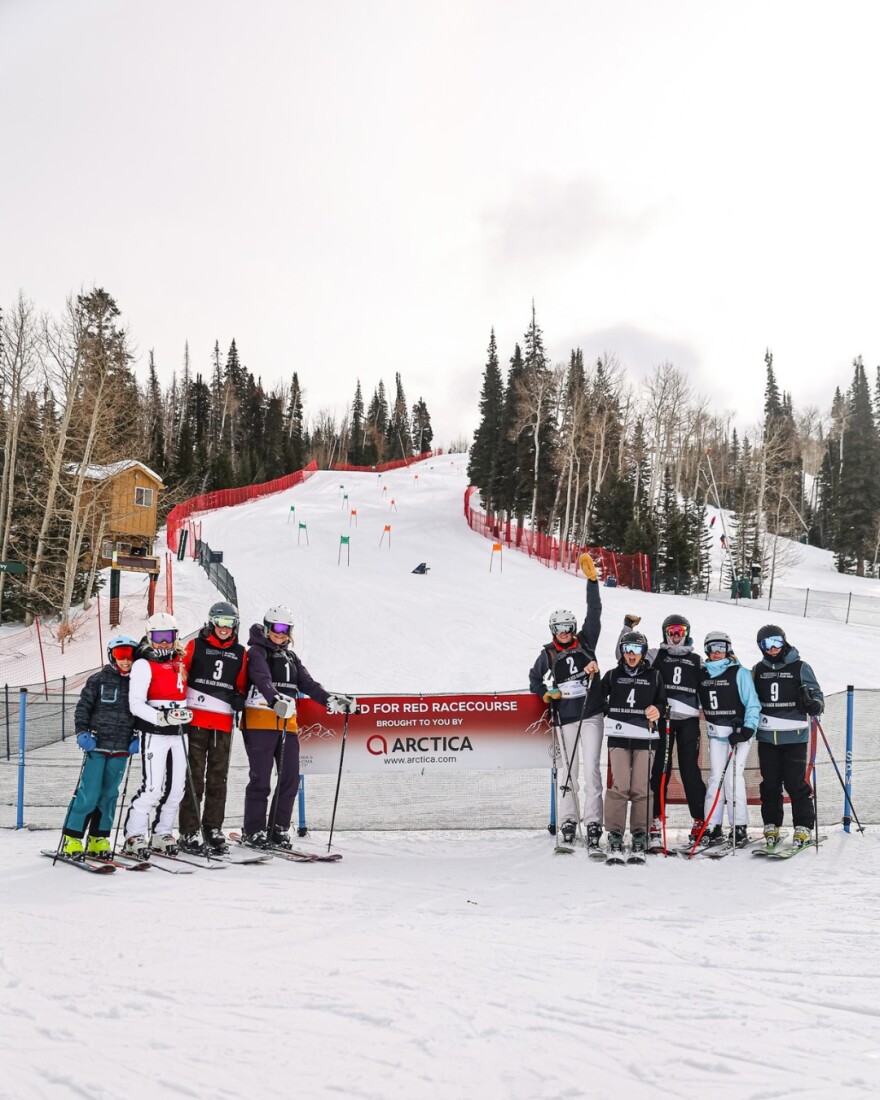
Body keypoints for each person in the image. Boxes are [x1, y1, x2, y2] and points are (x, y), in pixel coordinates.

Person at [241, 605, 357, 849]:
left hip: (287, 725)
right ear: (267, 627)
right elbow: (262, 679)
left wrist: (330, 700)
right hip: (260, 724)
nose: (281, 634)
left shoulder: (291, 658)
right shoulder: (257, 652)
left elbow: (308, 683)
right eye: (277, 628)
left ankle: (278, 828)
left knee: (290, 778)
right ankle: (253, 831)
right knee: (260, 779)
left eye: (286, 629)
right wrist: (275, 699)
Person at [528, 552, 603, 851]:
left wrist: (592, 583)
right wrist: (546, 693)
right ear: (552, 631)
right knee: (569, 769)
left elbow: (594, 612)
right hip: (566, 716)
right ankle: (569, 818)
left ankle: (594, 819)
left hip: (592, 713)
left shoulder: (585, 642)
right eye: (559, 629)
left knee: (592, 769)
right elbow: (534, 678)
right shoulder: (548, 653)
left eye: (567, 628)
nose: (564, 633)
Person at [60, 636, 141, 860]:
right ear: (111, 655)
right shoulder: (98, 680)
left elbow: (141, 713)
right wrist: (82, 732)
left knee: (109, 795)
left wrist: (138, 735)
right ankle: (72, 838)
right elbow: (83, 708)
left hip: (122, 748)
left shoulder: (139, 682)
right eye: (120, 654)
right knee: (89, 793)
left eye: (130, 655)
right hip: (97, 746)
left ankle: (98, 838)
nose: (125, 660)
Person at [178, 601, 248, 855]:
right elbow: (181, 674)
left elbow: (241, 684)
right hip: (195, 721)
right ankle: (189, 830)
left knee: (218, 778)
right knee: (194, 777)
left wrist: (240, 696)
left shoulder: (240, 652)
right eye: (220, 622)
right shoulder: (195, 646)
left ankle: (212, 827)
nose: (224, 628)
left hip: (222, 723)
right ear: (211, 623)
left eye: (229, 623)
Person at [633, 614, 707, 850]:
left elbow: (714, 679)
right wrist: (628, 629)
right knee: (659, 771)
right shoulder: (656, 655)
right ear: (665, 633)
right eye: (672, 631)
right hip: (662, 721)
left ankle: (700, 820)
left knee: (690, 772)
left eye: (680, 631)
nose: (676, 636)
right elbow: (628, 656)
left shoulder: (697, 660)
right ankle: (655, 820)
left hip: (687, 722)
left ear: (686, 632)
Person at [123, 612, 192, 859]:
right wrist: (160, 717)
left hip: (180, 732)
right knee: (153, 787)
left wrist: (186, 713)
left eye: (169, 636)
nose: (164, 642)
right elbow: (136, 704)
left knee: (177, 789)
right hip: (155, 732)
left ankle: (162, 832)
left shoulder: (180, 661)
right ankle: (134, 834)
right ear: (150, 637)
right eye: (158, 637)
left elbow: (185, 694)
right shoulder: (143, 664)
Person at [752, 625, 824, 850]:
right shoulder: (758, 669)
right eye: (766, 644)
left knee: (795, 782)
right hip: (767, 737)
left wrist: (815, 704)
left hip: (794, 736)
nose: (772, 648)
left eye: (776, 642)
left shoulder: (800, 667)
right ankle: (772, 824)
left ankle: (803, 825)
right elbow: (750, 698)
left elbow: (817, 695)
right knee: (770, 784)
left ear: (784, 641)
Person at [600, 631, 666, 856]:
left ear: (644, 653)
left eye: (637, 649)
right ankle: (615, 831)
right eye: (627, 648)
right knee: (621, 785)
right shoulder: (612, 675)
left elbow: (663, 703)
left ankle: (640, 830)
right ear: (622, 651)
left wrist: (658, 710)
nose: (631, 654)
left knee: (640, 786)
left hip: (645, 738)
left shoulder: (654, 675)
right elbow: (597, 698)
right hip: (618, 737)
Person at [696, 630, 761, 849]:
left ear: (728, 649)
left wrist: (747, 729)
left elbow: (753, 703)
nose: (717, 653)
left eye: (721, 648)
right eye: (712, 648)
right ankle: (712, 825)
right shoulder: (702, 674)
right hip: (716, 734)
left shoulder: (739, 673)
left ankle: (739, 826)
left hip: (738, 734)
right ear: (706, 650)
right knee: (716, 778)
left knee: (733, 777)